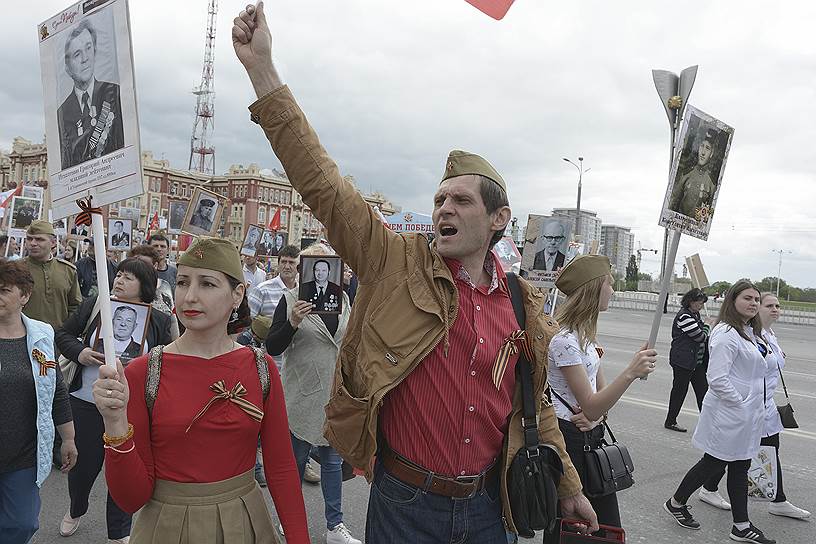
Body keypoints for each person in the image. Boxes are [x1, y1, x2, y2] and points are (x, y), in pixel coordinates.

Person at [233, 5, 597, 540]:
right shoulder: (393, 261)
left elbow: (534, 405)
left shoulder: (521, 303)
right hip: (404, 503)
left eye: (461, 200)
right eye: (439, 199)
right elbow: (324, 186)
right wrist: (263, 70)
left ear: (499, 220)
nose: (443, 208)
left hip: (489, 507)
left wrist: (570, 487)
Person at [93, 237, 309, 543]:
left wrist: (300, 538)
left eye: (207, 284)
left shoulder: (261, 367)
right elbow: (130, 499)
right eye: (182, 282)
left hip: (244, 525)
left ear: (237, 295)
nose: (189, 297)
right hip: (166, 527)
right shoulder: (144, 372)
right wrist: (114, 425)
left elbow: (282, 468)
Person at [56, 258, 172, 542]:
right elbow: (62, 334)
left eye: (128, 277)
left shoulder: (160, 320)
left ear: (144, 286)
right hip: (86, 402)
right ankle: (76, 508)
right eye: (118, 275)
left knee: (124, 469)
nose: (119, 280)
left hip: (131, 408)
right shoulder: (95, 306)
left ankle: (119, 531)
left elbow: (165, 360)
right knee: (84, 467)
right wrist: (80, 353)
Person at [546, 255, 657, 531]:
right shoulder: (564, 341)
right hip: (569, 442)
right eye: (609, 283)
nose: (613, 290)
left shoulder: (587, 337)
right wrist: (630, 371)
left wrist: (596, 419)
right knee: (576, 529)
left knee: (605, 528)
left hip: (589, 438)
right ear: (594, 288)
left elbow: (602, 400)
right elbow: (593, 404)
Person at [664, 280, 777, 544]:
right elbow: (717, 379)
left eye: (756, 300)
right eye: (747, 298)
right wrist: (742, 403)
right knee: (713, 463)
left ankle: (741, 526)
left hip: (747, 415)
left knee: (740, 466)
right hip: (730, 414)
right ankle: (676, 502)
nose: (753, 303)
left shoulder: (750, 331)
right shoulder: (726, 333)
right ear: (732, 300)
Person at [266, 242, 358, 544]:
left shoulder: (342, 298)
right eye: (315, 264)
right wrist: (292, 322)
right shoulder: (291, 299)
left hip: (333, 396)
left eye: (325, 264)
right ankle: (288, 520)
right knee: (294, 462)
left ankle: (335, 527)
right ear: (308, 269)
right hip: (301, 395)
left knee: (332, 464)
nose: (320, 270)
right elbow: (273, 345)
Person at [698, 293, 811, 520]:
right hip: (749, 406)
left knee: (766, 449)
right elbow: (720, 376)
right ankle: (700, 494)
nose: (774, 309)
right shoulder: (743, 334)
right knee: (729, 456)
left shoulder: (768, 335)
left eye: (776, 305)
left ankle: (775, 500)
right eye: (768, 305)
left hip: (764, 405)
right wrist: (740, 405)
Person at [0, 260, 77, 543]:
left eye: (4, 290)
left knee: (22, 524)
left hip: (24, 453)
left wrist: (68, 438)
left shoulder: (42, 334)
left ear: (24, 295)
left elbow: (55, 389)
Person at [57, 19, 125, 170]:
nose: (85, 59)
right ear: (67, 68)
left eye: (88, 48)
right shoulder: (61, 114)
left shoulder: (115, 93)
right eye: (77, 54)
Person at [22, 221, 82, 332]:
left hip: (57, 341)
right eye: (29, 239)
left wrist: (66, 333)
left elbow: (75, 307)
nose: (33, 243)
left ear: (53, 242)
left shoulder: (68, 270)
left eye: (39, 239)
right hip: (23, 338)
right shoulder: (15, 269)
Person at [664, 288, 710, 433]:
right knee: (679, 391)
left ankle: (708, 423)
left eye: (702, 303)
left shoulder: (694, 314)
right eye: (699, 302)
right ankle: (670, 421)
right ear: (690, 301)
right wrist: (708, 326)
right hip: (683, 361)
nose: (701, 306)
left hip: (696, 362)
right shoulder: (685, 316)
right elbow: (700, 337)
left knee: (703, 392)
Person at [128, 245, 179, 340]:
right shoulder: (123, 286)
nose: (138, 267)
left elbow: (172, 317)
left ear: (155, 265)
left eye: (144, 264)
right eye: (134, 262)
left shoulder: (164, 286)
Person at [669, 128, 716, 218]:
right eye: (702, 146)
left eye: (707, 148)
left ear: (711, 153)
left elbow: (708, 215)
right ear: (698, 148)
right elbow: (673, 203)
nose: (703, 153)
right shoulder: (686, 174)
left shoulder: (712, 183)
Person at [249, 245, 300, 319]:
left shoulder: (302, 293)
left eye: (291, 263)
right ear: (278, 264)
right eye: (283, 262)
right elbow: (247, 322)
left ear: (299, 267)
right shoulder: (262, 290)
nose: (287, 267)